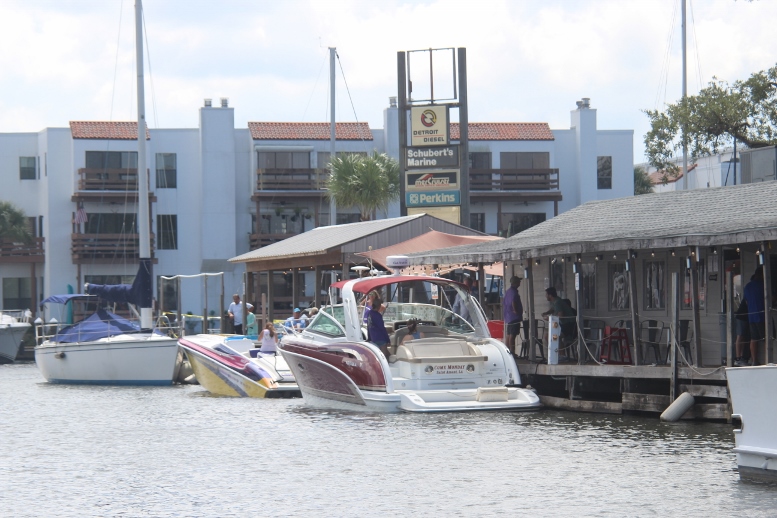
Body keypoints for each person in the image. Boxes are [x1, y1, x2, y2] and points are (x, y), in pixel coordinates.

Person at [542, 287, 577, 355]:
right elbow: (553, 309)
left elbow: (561, 316)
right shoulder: (555, 301)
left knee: (555, 336)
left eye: (546, 294)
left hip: (568, 326)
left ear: (550, 295)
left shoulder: (558, 302)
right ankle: (557, 354)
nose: (545, 296)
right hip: (563, 325)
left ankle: (561, 355)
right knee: (550, 336)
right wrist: (546, 313)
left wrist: (549, 318)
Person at [743, 267, 765, 366]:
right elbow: (770, 299)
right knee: (766, 339)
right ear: (760, 275)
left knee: (754, 339)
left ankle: (754, 360)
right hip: (762, 315)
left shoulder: (747, 286)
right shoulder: (763, 285)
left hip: (751, 316)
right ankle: (769, 360)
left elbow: (746, 301)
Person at [503, 275, 523, 356]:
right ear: (516, 282)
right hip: (514, 317)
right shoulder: (514, 292)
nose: (520, 282)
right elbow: (513, 301)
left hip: (508, 316)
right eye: (519, 281)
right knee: (512, 335)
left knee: (508, 334)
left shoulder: (508, 291)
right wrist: (515, 310)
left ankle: (507, 351)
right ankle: (512, 351)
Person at [366, 291, 390, 358]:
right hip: (380, 338)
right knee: (384, 357)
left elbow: (368, 326)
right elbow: (382, 328)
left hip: (373, 338)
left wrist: (369, 338)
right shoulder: (378, 315)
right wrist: (387, 339)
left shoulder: (369, 314)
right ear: (379, 306)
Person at [734, 298, 751, 366]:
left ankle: (742, 358)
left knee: (743, 337)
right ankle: (738, 358)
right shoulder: (747, 297)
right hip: (741, 316)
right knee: (740, 336)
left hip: (747, 317)